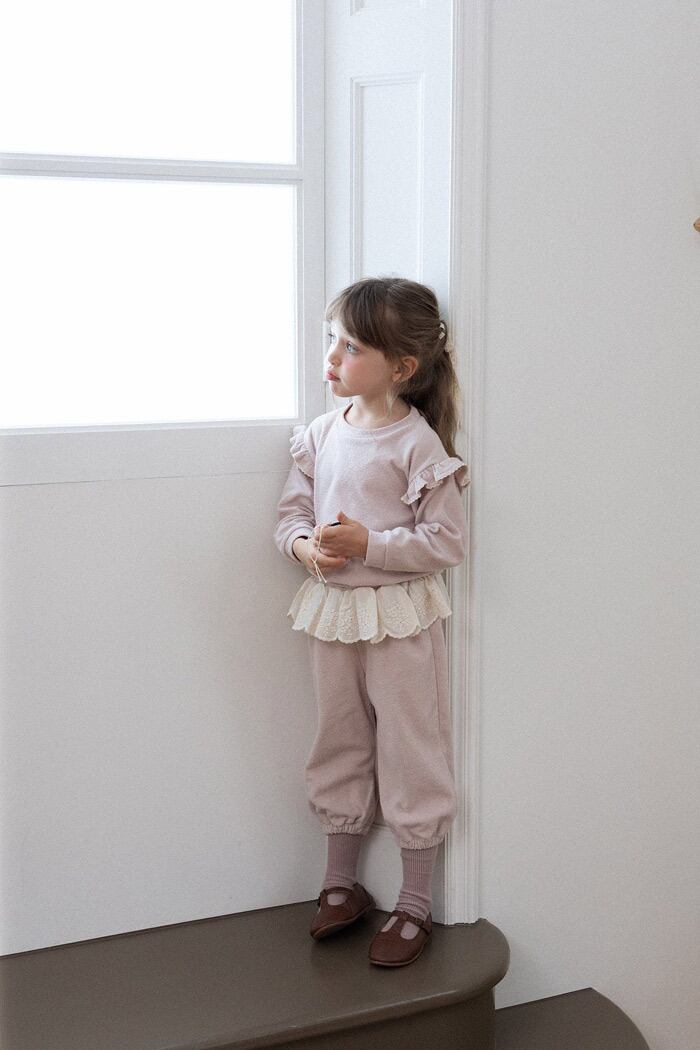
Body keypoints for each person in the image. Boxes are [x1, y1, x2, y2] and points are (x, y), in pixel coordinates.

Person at [273, 276, 470, 967]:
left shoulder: (417, 444)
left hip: (400, 621)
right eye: (334, 340)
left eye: (352, 347)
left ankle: (414, 902)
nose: (332, 357)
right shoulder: (321, 435)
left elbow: (446, 542)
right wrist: (305, 548)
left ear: (401, 367)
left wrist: (370, 545)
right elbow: (291, 516)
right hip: (333, 616)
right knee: (339, 739)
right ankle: (340, 882)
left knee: (411, 748)